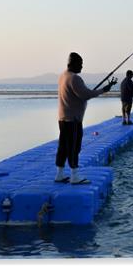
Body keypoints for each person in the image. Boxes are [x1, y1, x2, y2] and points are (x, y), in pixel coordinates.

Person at [56, 52, 116, 184]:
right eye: (80, 64)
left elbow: (77, 95)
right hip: (73, 119)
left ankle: (59, 174)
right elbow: (86, 94)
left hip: (62, 118)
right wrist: (104, 90)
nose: (82, 67)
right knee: (74, 147)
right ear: (73, 63)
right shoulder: (74, 78)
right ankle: (74, 176)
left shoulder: (63, 76)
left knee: (63, 146)